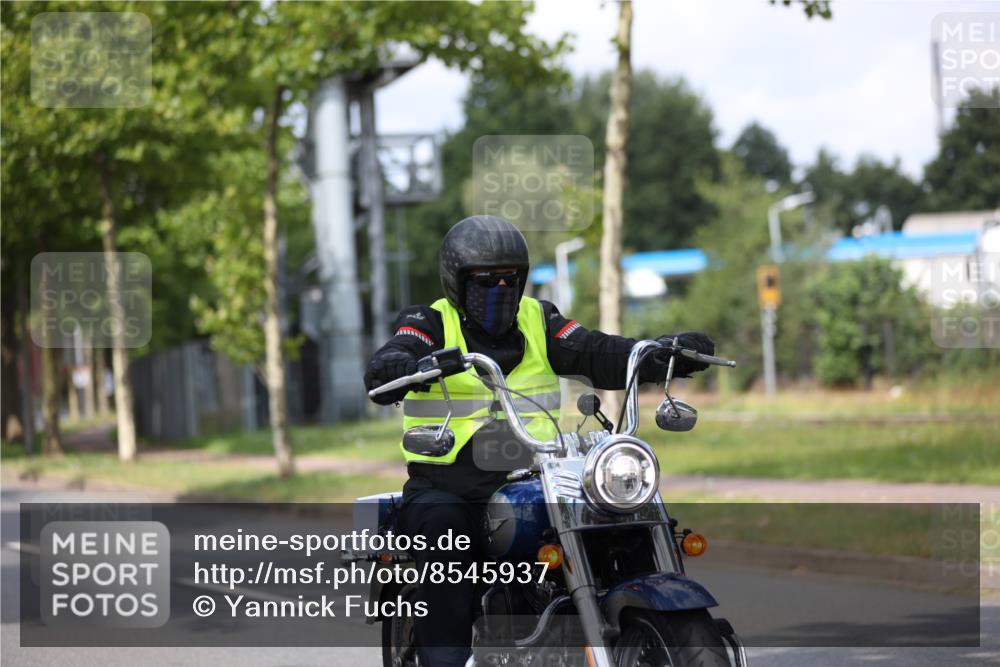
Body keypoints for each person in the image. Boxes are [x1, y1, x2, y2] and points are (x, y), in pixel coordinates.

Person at [364, 215, 714, 666]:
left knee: (620, 518)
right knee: (445, 536)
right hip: (449, 486)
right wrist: (394, 362)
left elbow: (591, 348)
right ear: (458, 281)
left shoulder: (539, 318)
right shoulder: (430, 321)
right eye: (485, 282)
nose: (499, 292)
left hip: (539, 476)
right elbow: (401, 346)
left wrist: (654, 354)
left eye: (510, 280)